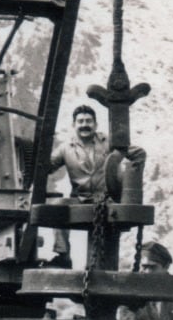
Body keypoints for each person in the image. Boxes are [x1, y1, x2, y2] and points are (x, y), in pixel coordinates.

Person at [46, 104, 144, 268]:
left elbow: (139, 153)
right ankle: (63, 255)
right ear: (74, 125)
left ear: (96, 125)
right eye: (80, 121)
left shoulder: (109, 142)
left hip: (106, 199)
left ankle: (100, 264)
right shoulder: (65, 148)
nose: (85, 125)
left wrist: (131, 184)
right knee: (57, 208)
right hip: (80, 198)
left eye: (89, 121)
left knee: (112, 222)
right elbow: (47, 167)